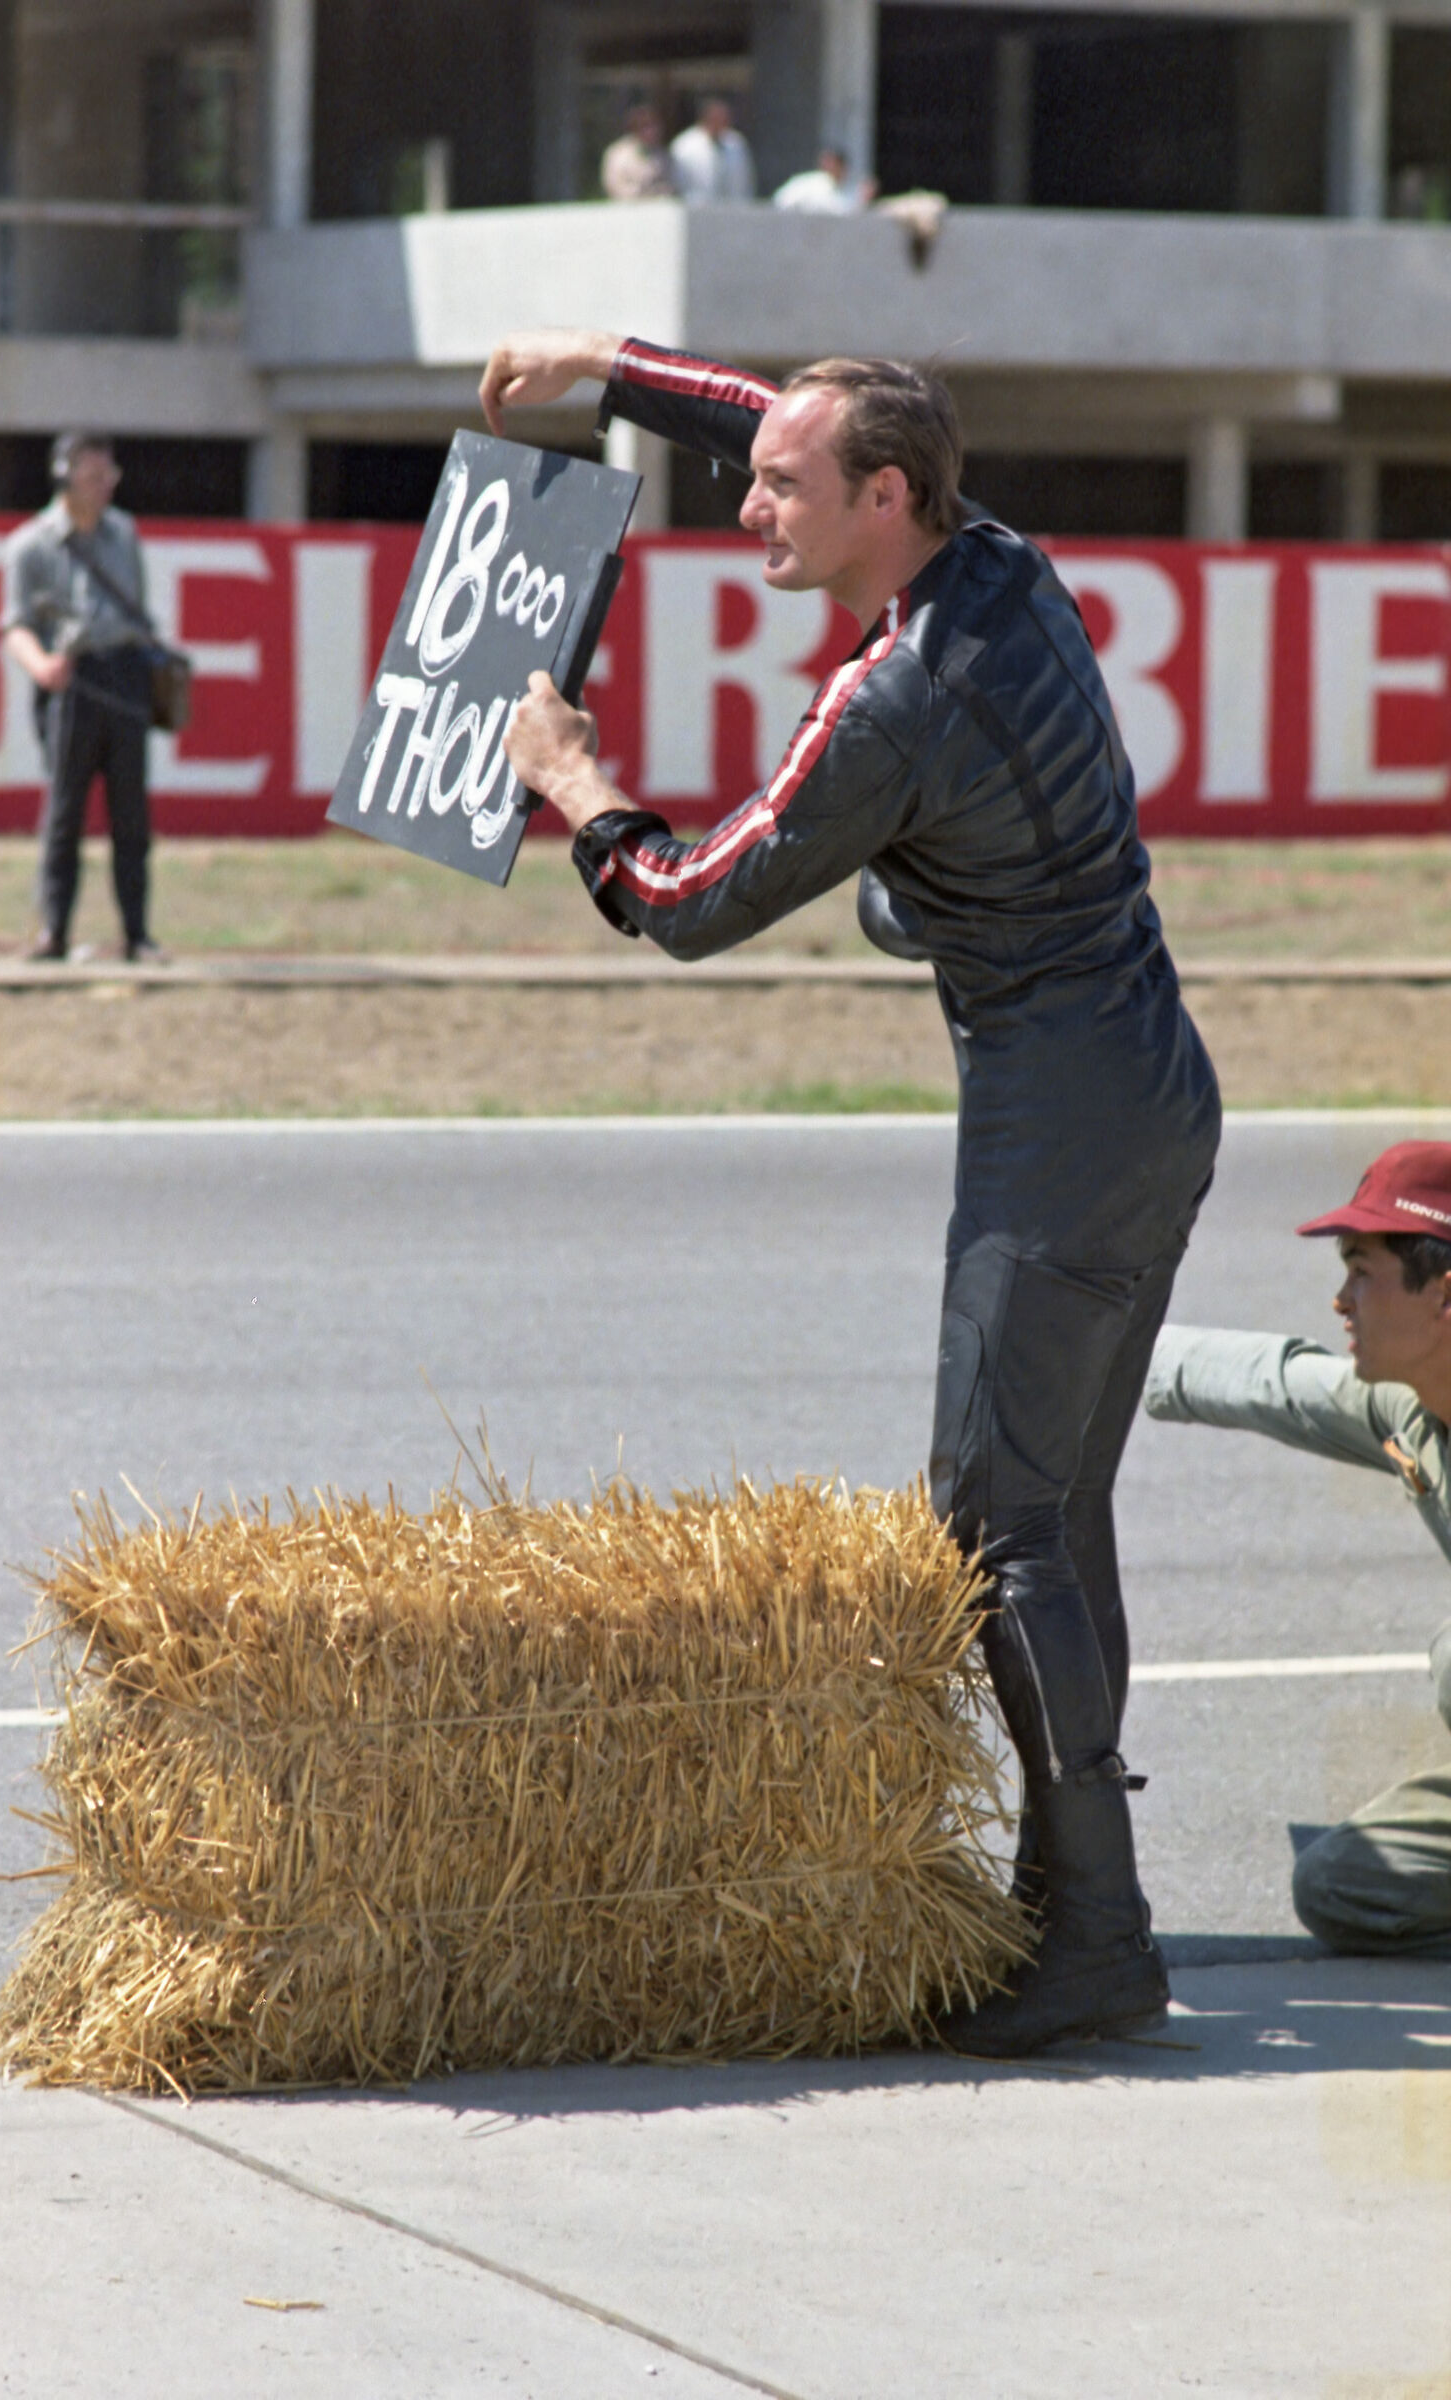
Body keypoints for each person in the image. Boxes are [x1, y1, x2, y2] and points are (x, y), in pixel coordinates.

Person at [479, 328, 1221, 2055]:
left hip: (1074, 1123)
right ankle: (1075, 1898)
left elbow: (686, 898)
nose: (750, 508)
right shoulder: (998, 556)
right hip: (1144, 1085)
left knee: (991, 1519)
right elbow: (767, 408)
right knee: (1054, 1512)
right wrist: (603, 365)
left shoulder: (889, 705)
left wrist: (575, 785)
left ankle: (1099, 1938)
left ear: (883, 499)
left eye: (785, 492)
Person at [1145, 1142, 1451, 1958]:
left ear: (1444, 1295)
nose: (1340, 1299)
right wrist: (1099, 1340)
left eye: (1363, 1271)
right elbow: (1277, 1381)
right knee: (1343, 1885)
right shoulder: (1410, 1409)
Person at [0, 430, 167, 964]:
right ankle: (54, 932)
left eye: (109, 475)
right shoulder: (31, 544)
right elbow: (14, 626)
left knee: (131, 815)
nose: (104, 486)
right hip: (72, 682)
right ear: (64, 476)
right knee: (64, 812)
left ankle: (137, 933)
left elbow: (137, 613)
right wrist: (43, 667)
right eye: (94, 476)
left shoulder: (125, 534)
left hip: (125, 677)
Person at [668, 97, 755, 205]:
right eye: (716, 118)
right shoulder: (685, 146)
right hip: (696, 210)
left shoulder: (736, 143)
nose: (720, 123)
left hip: (732, 211)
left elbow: (746, 181)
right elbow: (678, 185)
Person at [772, 146, 876, 215]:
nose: (828, 167)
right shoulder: (811, 183)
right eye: (826, 163)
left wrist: (863, 199)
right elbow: (782, 201)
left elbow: (847, 212)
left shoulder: (846, 190)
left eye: (832, 163)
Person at [601, 103, 673, 202]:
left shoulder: (662, 155)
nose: (652, 131)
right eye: (645, 127)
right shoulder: (618, 153)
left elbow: (670, 185)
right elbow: (614, 186)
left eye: (654, 126)